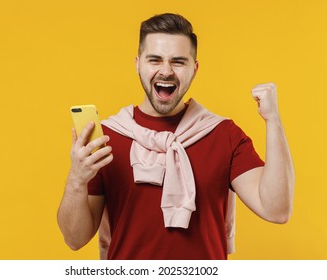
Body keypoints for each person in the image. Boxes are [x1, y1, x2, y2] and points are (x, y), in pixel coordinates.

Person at [57, 13, 295, 260]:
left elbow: (276, 210)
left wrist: (273, 120)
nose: (166, 71)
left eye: (179, 61)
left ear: (195, 68)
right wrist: (76, 178)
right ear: (138, 64)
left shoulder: (223, 134)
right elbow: (74, 239)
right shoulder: (108, 139)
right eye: (155, 60)